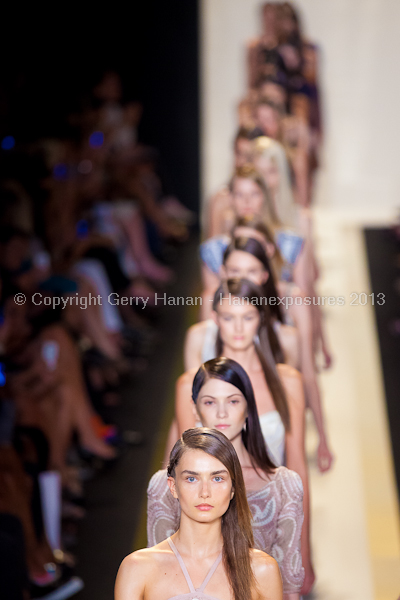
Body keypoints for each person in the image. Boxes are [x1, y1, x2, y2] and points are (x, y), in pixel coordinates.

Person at [174, 279, 314, 593]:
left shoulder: (287, 381)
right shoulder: (191, 387)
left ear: (262, 318)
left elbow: (297, 469)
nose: (238, 328)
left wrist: (304, 549)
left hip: (273, 514)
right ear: (214, 319)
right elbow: (184, 466)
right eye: (228, 317)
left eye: (248, 316)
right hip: (208, 520)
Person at [148, 358, 304, 598]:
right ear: (194, 408)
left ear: (248, 408)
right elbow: (156, 573)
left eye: (233, 401)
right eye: (210, 402)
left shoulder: (284, 486)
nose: (222, 413)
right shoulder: (163, 485)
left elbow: (289, 588)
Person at [116, 427, 283, 600]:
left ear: (233, 489)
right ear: (173, 487)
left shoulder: (262, 570)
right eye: (192, 479)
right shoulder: (137, 568)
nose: (205, 492)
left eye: (217, 478)